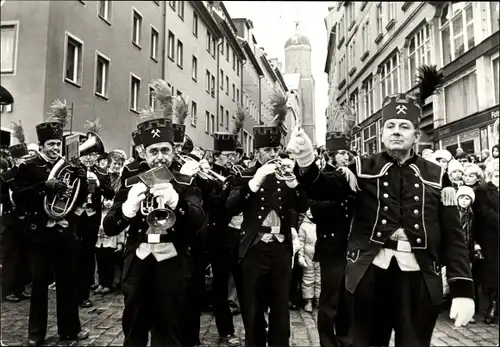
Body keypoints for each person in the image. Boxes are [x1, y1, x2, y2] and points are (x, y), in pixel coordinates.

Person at [288, 86, 475, 346]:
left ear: (416, 135)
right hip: (370, 275)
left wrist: (463, 289)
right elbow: (323, 187)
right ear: (382, 133)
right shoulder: (362, 168)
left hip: (418, 278)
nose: (396, 131)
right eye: (390, 126)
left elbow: (455, 238)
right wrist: (306, 159)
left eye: (404, 126)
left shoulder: (436, 175)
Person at [103, 82, 205, 347]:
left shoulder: (185, 181)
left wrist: (177, 202)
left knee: (168, 334)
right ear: (143, 153)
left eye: (165, 150)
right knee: (134, 332)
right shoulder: (129, 180)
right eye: (154, 151)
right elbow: (110, 225)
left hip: (172, 267)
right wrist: (127, 209)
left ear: (173, 150)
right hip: (137, 265)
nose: (160, 158)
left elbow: (198, 220)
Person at [226, 96, 309, 346]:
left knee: (280, 308)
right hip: (254, 248)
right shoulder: (245, 174)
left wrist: (296, 186)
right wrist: (253, 182)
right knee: (252, 308)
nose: (272, 155)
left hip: (281, 248)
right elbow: (230, 206)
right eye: (267, 150)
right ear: (257, 152)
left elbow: (303, 205)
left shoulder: (288, 174)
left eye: (275, 150)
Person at [12, 100, 89, 346]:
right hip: (39, 233)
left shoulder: (68, 166)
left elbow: (80, 196)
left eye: (58, 144)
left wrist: (82, 179)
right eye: (51, 144)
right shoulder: (28, 166)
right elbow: (19, 196)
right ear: (42, 146)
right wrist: (44, 186)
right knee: (39, 286)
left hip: (64, 230)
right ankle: (36, 334)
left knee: (68, 283)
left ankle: (70, 329)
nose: (55, 148)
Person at [309, 132, 353, 347]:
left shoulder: (351, 174)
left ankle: (345, 338)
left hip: (350, 245)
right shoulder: (321, 176)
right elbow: (316, 209)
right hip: (331, 246)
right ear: (330, 155)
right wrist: (342, 196)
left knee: (348, 297)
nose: (345, 157)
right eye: (341, 153)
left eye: (347, 153)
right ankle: (327, 341)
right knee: (330, 299)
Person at [0, 121, 31, 303]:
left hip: (25, 219)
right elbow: (4, 197)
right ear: (14, 160)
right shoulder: (6, 176)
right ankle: (7, 289)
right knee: (10, 255)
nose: (24, 161)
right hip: (11, 219)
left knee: (23, 255)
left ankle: (20, 288)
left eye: (26, 158)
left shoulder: (28, 174)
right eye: (21, 159)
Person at [472, 158, 499, 324]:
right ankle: (492, 306)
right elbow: (483, 211)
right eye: (497, 174)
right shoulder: (483, 191)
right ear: (490, 174)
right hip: (492, 239)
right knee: (493, 273)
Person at [297, 208, 320, 313]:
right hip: (308, 255)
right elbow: (300, 242)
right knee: (308, 278)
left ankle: (318, 298)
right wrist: (300, 256)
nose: (310, 212)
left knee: (319, 279)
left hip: (319, 255)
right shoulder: (303, 226)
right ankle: (308, 300)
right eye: (308, 210)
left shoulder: (320, 224)